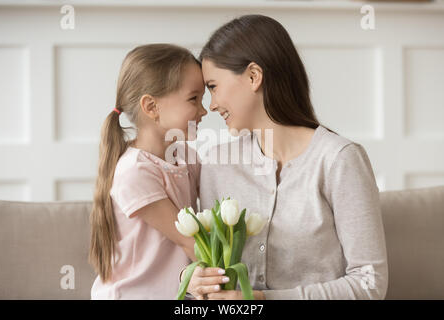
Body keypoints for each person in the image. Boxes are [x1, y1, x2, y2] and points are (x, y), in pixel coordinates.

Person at [182, 14, 388, 300]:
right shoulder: (217, 163)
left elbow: (369, 283)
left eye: (214, 87)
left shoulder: (338, 159)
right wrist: (192, 280)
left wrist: (263, 300)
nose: (212, 105)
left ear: (254, 76)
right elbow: (201, 262)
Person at [89, 44, 207, 299]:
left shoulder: (187, 157)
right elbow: (191, 241)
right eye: (193, 99)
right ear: (151, 107)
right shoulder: (135, 172)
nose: (204, 110)